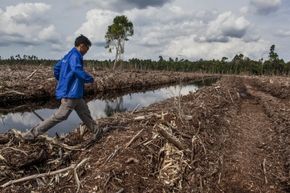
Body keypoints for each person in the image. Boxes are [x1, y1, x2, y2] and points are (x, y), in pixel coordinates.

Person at [22, 34, 102, 141]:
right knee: (61, 115)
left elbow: (57, 68)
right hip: (71, 93)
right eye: (87, 48)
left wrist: (63, 79)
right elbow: (77, 70)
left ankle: (97, 132)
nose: (87, 51)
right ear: (82, 45)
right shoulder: (75, 56)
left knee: (84, 113)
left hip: (75, 93)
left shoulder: (68, 56)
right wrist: (89, 79)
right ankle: (32, 133)